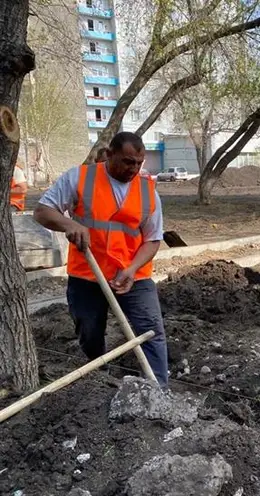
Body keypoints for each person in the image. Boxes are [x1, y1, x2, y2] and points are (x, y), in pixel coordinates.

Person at [34, 132, 168, 387]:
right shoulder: (80, 178)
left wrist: (131, 269)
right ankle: (99, 382)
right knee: (89, 332)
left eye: (139, 163)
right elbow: (42, 211)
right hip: (88, 274)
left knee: (151, 331)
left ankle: (158, 389)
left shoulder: (147, 190)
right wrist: (68, 224)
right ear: (109, 154)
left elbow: (152, 239)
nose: (134, 169)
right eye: (128, 161)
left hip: (133, 276)